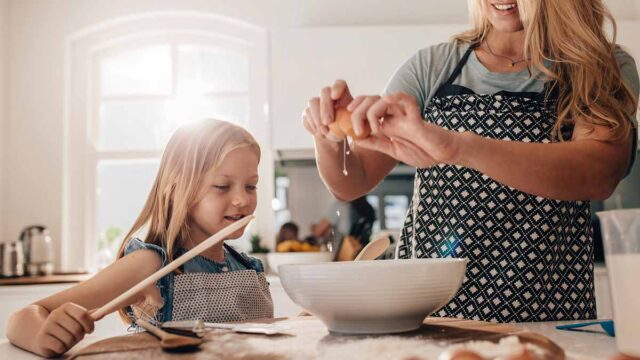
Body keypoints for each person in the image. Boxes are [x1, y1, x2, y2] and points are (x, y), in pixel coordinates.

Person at [303, 0, 639, 323]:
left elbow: (598, 172)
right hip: (428, 313)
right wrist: (330, 136)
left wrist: (458, 147)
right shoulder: (434, 66)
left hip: (544, 315)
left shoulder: (598, 65)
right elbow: (351, 181)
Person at [6, 119, 273, 356]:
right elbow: (22, 318)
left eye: (251, 186)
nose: (242, 200)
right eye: (222, 186)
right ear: (176, 190)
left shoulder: (248, 267)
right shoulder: (151, 266)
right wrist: (43, 335)